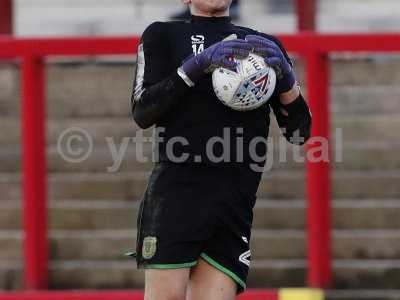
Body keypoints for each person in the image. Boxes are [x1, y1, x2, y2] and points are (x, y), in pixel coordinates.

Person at [130, 0, 311, 299]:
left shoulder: (263, 46)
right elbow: (142, 112)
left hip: (234, 200)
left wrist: (287, 80)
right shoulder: (162, 35)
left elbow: (300, 133)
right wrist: (195, 66)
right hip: (176, 196)